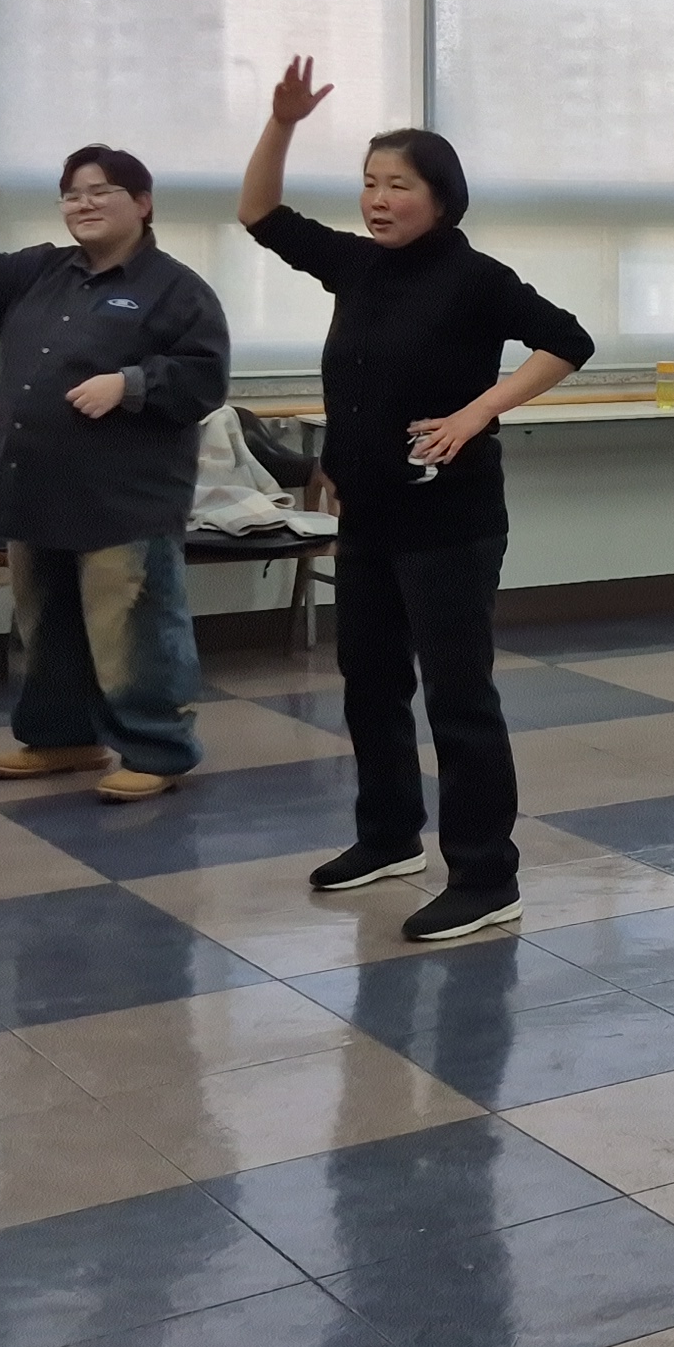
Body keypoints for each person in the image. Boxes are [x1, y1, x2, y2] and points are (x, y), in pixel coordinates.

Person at [241, 57, 597, 943]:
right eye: (369, 182)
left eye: (398, 184)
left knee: (458, 698)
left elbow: (568, 340)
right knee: (370, 683)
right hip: (367, 514)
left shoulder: (476, 278)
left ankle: (486, 875)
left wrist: (477, 412)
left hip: (450, 520)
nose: (378, 198)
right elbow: (259, 214)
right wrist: (283, 123)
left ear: (442, 197)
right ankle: (389, 837)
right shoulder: (357, 266)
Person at [0, 148, 230, 802]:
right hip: (36, 487)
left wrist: (130, 383)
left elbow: (205, 377)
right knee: (45, 628)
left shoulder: (176, 289)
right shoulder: (41, 271)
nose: (83, 204)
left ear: (143, 204)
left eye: (101, 191)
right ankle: (61, 738)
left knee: (133, 630)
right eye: (72, 194)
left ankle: (158, 751)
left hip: (122, 500)